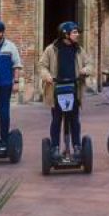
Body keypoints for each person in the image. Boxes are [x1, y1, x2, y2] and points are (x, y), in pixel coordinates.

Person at [38, 21, 91, 160]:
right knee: (56, 119)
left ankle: (77, 146)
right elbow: (42, 65)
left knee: (74, 120)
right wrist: (47, 76)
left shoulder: (79, 49)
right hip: (57, 88)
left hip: (74, 88)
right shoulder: (52, 49)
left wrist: (85, 70)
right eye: (74, 32)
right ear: (65, 34)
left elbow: (89, 64)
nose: (77, 34)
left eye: (77, 32)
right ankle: (55, 147)